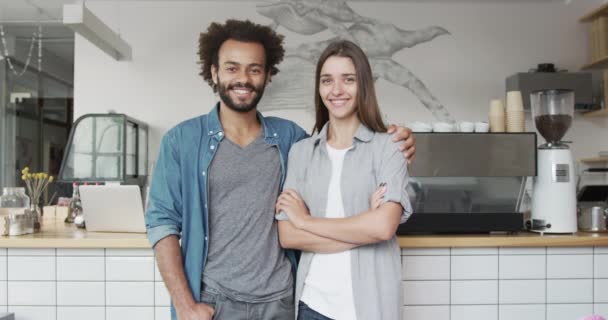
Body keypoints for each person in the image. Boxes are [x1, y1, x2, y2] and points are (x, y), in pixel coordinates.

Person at [145, 20, 416, 320]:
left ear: (268, 75)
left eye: (254, 69)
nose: (243, 78)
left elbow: (342, 150)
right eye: (232, 68)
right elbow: (161, 224)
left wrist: (398, 140)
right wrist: (185, 306)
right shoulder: (182, 141)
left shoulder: (290, 139)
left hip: (281, 303)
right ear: (214, 72)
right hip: (215, 303)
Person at [275, 40, 411, 320]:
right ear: (319, 88)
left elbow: (384, 226)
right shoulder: (301, 152)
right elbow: (288, 235)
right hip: (312, 305)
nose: (336, 90)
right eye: (327, 81)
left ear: (363, 85)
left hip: (372, 304)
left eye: (347, 80)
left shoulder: (389, 146)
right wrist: (365, 225)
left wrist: (306, 221)